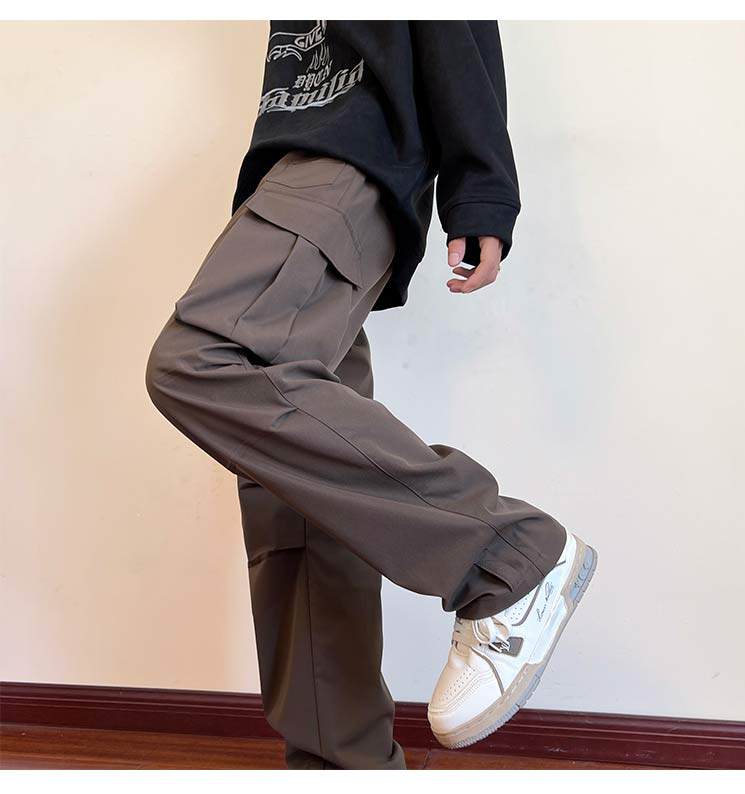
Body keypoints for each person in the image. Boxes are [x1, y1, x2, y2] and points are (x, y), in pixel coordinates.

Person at [145, 20, 597, 770]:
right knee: (299, 494)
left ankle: (506, 556)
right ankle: (344, 764)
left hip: (345, 164)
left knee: (206, 359)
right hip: (302, 172)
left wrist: (482, 186)